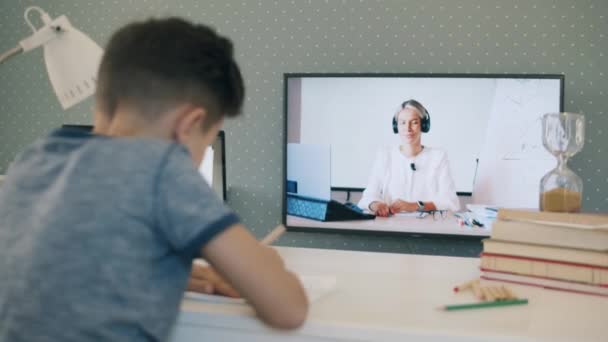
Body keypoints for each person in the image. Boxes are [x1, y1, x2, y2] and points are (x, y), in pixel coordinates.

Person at [0, 18, 308, 342]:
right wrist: (265, 263)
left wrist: (155, 269)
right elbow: (288, 309)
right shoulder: (163, 169)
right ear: (189, 124)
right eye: (207, 144)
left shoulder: (34, 159)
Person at [358, 99, 460, 217]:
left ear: (423, 125)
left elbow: (451, 202)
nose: (408, 128)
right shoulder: (385, 155)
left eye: (414, 122)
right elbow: (367, 197)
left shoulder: (438, 156)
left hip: (428, 229)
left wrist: (415, 205)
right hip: (391, 227)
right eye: (402, 122)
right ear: (396, 126)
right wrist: (376, 204)